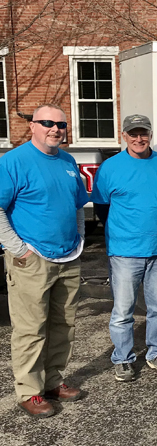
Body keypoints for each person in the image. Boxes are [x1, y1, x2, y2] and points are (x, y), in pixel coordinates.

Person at [0, 104, 88, 418]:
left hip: (68, 257)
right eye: (47, 123)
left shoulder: (67, 161)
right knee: (30, 329)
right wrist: (19, 250)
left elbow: (78, 204)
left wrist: (79, 237)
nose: (55, 129)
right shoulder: (13, 161)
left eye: (61, 124)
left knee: (63, 325)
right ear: (32, 126)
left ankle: (53, 381)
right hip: (31, 260)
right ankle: (29, 391)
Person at [91, 114, 157, 382]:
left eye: (143, 133)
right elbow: (101, 207)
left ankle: (156, 353)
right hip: (125, 251)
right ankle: (123, 358)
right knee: (123, 311)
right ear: (124, 136)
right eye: (133, 134)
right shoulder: (111, 167)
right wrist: (124, 230)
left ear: (150, 134)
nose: (139, 138)